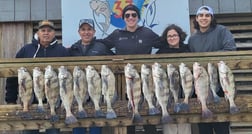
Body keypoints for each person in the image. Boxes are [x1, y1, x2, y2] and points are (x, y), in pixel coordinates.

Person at [100, 4, 160, 134]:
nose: (130, 17)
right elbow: (102, 45)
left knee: (148, 116)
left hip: (145, 79)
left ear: (138, 17)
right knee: (128, 117)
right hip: (125, 81)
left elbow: (163, 44)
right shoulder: (117, 34)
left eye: (134, 15)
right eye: (127, 15)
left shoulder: (147, 33)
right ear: (123, 18)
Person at [5, 20, 69, 134]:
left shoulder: (62, 51)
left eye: (49, 31)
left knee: (53, 131)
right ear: (38, 33)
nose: (46, 33)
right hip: (30, 102)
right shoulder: (26, 50)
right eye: (43, 30)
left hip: (54, 102)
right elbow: (13, 75)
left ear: (54, 33)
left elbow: (69, 79)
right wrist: (10, 99)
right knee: (29, 131)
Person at [188, 5, 236, 134]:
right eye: (201, 15)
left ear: (212, 18)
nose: (204, 18)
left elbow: (231, 49)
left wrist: (209, 60)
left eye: (207, 15)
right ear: (196, 19)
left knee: (221, 124)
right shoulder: (192, 39)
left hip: (220, 83)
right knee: (204, 126)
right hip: (201, 84)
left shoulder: (222, 31)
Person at [69, 19, 114, 134]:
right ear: (79, 32)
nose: (86, 32)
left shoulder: (101, 47)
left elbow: (114, 63)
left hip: (96, 89)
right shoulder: (73, 48)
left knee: (96, 124)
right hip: (79, 90)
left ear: (94, 31)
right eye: (83, 29)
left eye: (89, 29)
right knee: (78, 125)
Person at [156, 24, 191, 134]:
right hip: (167, 95)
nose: (172, 38)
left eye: (174, 35)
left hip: (184, 93)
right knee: (169, 129)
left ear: (180, 36)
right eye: (169, 36)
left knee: (184, 127)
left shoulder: (187, 50)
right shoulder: (160, 53)